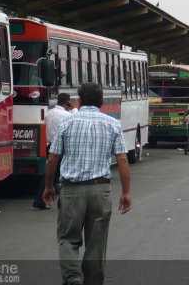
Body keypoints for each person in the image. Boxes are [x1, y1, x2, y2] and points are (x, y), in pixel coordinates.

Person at [43, 82, 131, 285]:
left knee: (68, 239)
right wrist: (126, 192)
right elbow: (122, 159)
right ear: (101, 102)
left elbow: (52, 158)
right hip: (101, 190)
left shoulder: (67, 123)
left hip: (72, 190)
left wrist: (49, 186)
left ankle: (73, 278)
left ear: (79, 101)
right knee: (96, 243)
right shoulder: (112, 124)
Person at [32, 93, 73, 210]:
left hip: (50, 145)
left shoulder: (49, 113)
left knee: (51, 175)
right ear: (67, 102)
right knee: (62, 175)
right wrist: (73, 108)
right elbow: (76, 119)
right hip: (62, 147)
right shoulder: (66, 114)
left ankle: (41, 200)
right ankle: (41, 201)